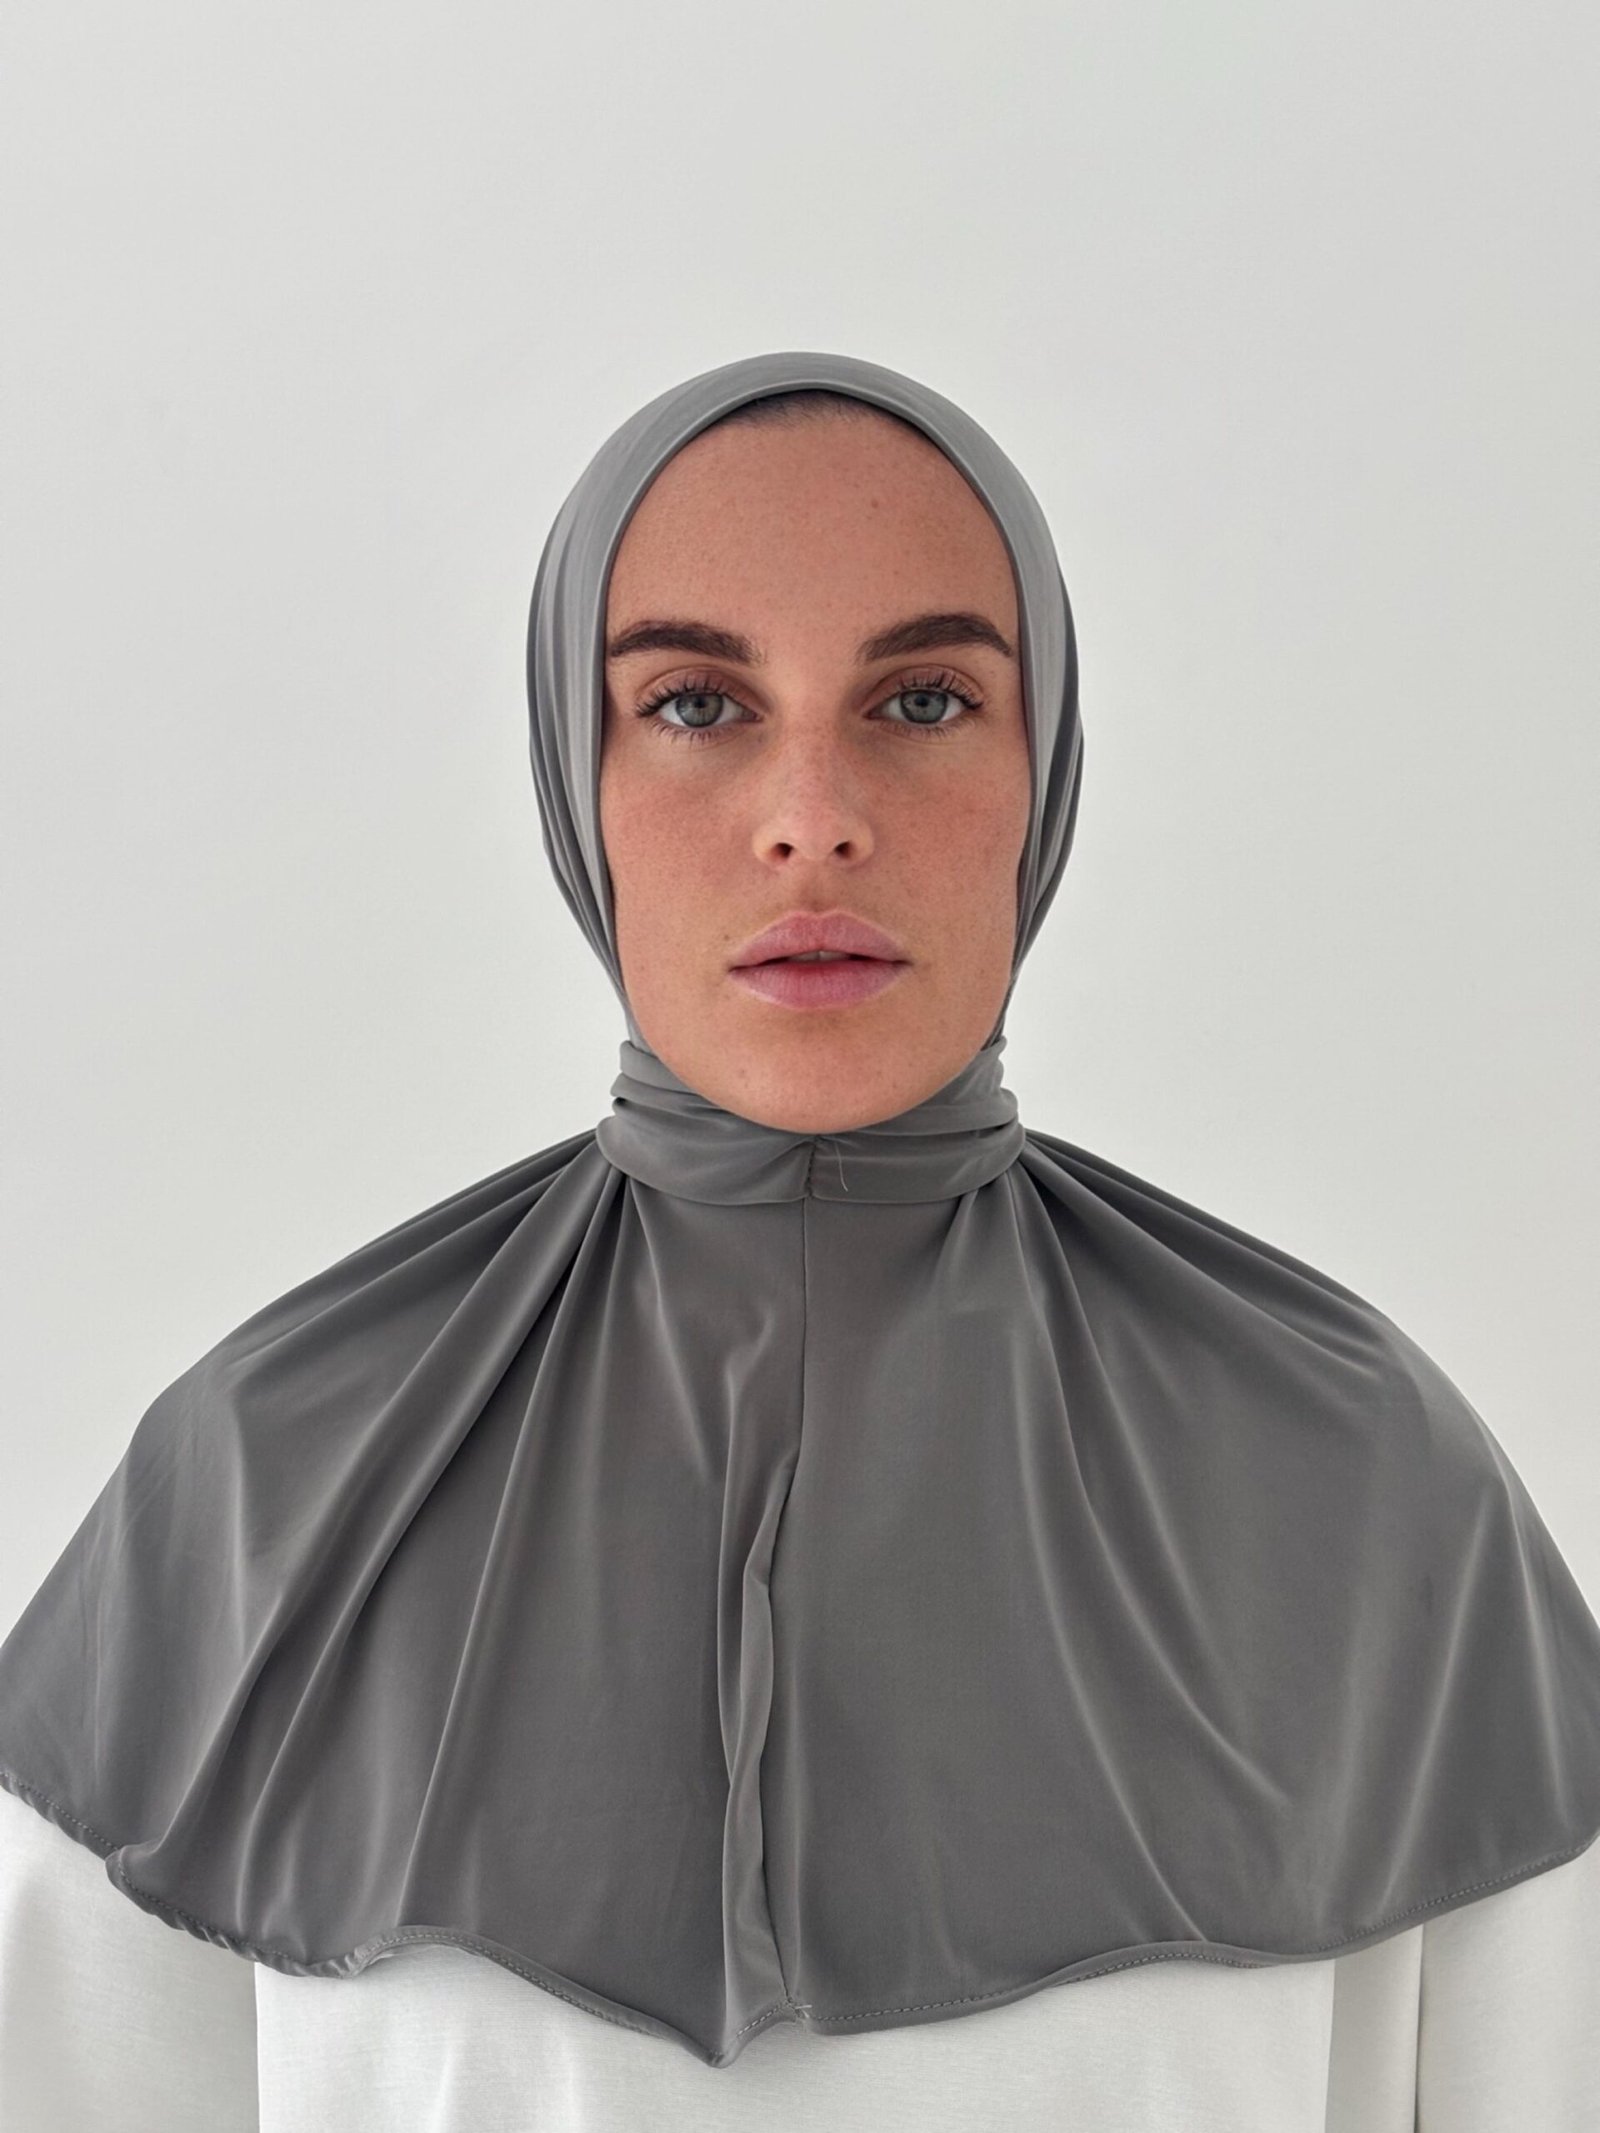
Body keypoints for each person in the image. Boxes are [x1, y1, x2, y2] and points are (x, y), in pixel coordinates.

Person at [2, 351, 1598, 2132]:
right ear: (575, 770)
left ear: (1045, 762)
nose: (813, 814)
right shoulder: (262, 1495)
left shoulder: (1364, 1491)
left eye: (923, 699)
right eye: (695, 703)